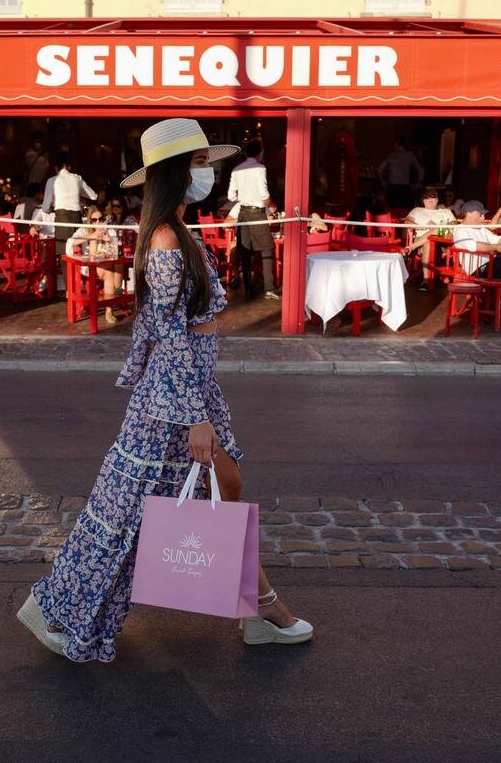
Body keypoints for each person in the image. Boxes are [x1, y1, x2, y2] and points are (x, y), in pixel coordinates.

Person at [17, 118, 312, 663]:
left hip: (185, 392)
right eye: (200, 164)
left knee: (213, 494)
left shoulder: (176, 231)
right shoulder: (165, 238)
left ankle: (263, 610)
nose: (209, 172)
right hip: (176, 402)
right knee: (131, 514)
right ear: (178, 173)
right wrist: (197, 415)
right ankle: (55, 602)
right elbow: (170, 331)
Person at [226, 140, 279, 299]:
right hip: (256, 212)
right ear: (260, 153)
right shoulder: (259, 168)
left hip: (243, 212)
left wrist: (244, 197)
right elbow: (264, 194)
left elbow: (231, 196)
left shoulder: (236, 170)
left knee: (245, 251)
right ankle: (269, 289)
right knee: (267, 249)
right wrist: (272, 205)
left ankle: (249, 289)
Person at [66, 207, 126, 325]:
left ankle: (110, 307)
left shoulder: (109, 230)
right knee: (110, 270)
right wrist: (91, 236)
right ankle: (110, 306)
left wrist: (109, 240)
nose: (98, 222)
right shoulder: (85, 229)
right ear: (90, 221)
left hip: (108, 265)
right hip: (90, 267)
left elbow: (116, 252)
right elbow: (70, 242)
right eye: (94, 220)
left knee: (111, 269)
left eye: (100, 219)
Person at [451, 200, 501, 281]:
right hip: (478, 269)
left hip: (492, 262)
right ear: (469, 214)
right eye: (481, 215)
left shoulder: (481, 228)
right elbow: (474, 246)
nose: (483, 218)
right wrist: (498, 247)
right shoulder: (460, 230)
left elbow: (497, 239)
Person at [41, 153, 96, 256]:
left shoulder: (52, 180)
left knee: (65, 254)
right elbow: (93, 196)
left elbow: (45, 208)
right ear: (68, 166)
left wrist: (53, 208)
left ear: (56, 167)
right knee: (80, 253)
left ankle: (67, 273)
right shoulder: (77, 178)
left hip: (62, 219)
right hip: (77, 218)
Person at [402, 187, 456, 289]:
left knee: (435, 230)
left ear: (437, 199)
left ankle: (410, 248)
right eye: (427, 197)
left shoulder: (445, 211)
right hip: (421, 244)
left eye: (433, 196)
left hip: (441, 243)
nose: (430, 199)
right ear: (423, 200)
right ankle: (426, 281)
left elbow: (454, 223)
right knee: (428, 242)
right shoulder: (417, 210)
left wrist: (439, 227)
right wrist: (423, 226)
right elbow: (407, 221)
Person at [378, 136, 422, 209]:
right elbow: (420, 170)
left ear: (396, 144)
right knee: (406, 212)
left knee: (391, 211)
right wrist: (417, 184)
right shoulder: (410, 155)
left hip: (392, 187)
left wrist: (383, 182)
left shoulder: (391, 155)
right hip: (405, 187)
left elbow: (380, 169)